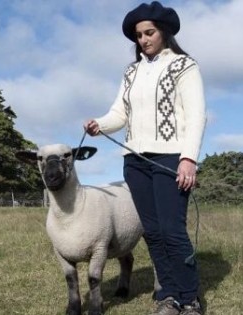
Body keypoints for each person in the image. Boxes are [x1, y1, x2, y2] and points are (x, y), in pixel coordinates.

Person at [83, 2, 206, 315]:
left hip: (169, 158)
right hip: (135, 161)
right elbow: (119, 113)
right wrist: (100, 124)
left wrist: (188, 159)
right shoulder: (131, 72)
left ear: (163, 32)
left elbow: (196, 116)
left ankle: (189, 299)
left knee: (172, 230)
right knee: (151, 232)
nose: (143, 39)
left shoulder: (184, 65)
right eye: (138, 35)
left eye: (149, 32)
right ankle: (168, 296)